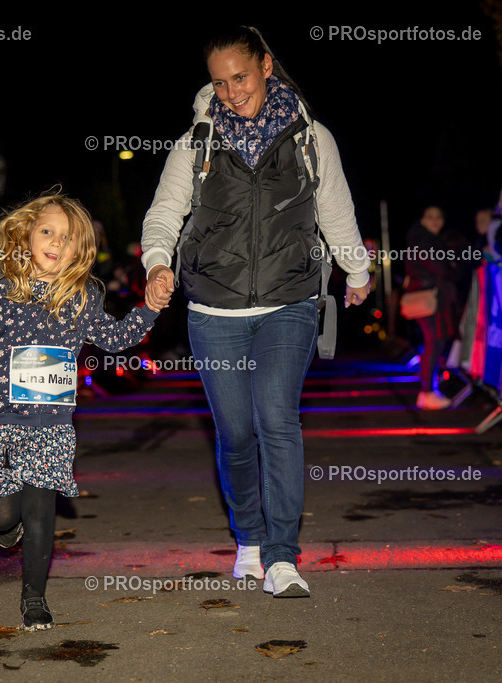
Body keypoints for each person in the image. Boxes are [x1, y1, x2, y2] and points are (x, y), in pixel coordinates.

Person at [141, 26, 371, 598]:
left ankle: (283, 555)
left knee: (277, 419)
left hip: (289, 303)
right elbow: (164, 213)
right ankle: (247, 538)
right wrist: (156, 264)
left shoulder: (311, 139)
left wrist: (357, 269)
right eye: (219, 83)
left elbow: (334, 207)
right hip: (212, 311)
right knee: (237, 434)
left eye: (239, 77)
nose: (231, 92)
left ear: (266, 66)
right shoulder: (195, 143)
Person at [0, 191, 161, 630]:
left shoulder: (81, 297)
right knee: (3, 514)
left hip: (52, 425)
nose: (56, 243)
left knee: (41, 508)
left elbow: (114, 338)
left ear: (80, 251)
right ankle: (6, 528)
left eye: (68, 239)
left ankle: (34, 598)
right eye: (48, 232)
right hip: (0, 420)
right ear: (25, 234)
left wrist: (150, 309)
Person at [405, 207, 460, 410]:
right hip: (429, 297)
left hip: (430, 295)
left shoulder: (424, 239)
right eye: (430, 217)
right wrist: (452, 267)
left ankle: (429, 389)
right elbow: (439, 266)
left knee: (434, 342)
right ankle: (427, 392)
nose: (435, 221)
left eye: (439, 217)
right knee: (434, 342)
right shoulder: (423, 240)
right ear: (422, 220)